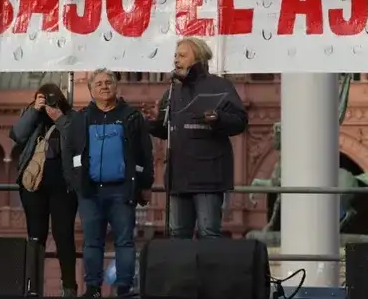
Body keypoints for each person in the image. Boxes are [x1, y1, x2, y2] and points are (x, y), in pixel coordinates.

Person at [61, 69, 153, 298]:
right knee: (92, 243)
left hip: (122, 190)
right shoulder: (81, 119)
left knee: (125, 242)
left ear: (115, 86)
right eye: (99, 83)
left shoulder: (131, 117)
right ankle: (93, 288)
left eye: (108, 82)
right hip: (90, 192)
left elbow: (144, 153)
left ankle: (124, 288)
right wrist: (75, 181)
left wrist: (144, 183)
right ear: (91, 90)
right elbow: (69, 152)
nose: (104, 86)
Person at [147, 38, 248, 239]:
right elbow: (164, 129)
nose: (176, 60)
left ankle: (209, 272)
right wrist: (150, 122)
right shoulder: (172, 91)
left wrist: (218, 118)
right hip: (178, 176)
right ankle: (180, 272)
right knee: (177, 234)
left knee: (208, 232)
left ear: (198, 58)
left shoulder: (220, 86)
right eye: (175, 55)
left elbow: (240, 121)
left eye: (182, 55)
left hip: (208, 177)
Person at [9, 83, 78, 297]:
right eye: (43, 98)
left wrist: (59, 117)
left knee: (64, 236)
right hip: (34, 188)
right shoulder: (32, 115)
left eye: (52, 99)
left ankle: (69, 288)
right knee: (35, 237)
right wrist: (34, 110)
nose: (48, 102)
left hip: (64, 189)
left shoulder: (71, 117)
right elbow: (17, 135)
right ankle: (33, 287)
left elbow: (77, 139)